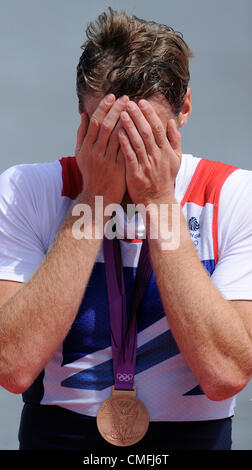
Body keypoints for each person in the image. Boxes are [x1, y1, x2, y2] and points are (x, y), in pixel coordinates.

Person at [0, 7, 251, 452]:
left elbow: (226, 375)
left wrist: (158, 203)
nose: (129, 152)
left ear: (184, 109)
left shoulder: (234, 197)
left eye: (147, 135)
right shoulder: (27, 191)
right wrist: (92, 203)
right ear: (82, 116)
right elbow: (12, 367)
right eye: (112, 132)